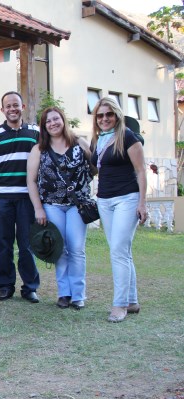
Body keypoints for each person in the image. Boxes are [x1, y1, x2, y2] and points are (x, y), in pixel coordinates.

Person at [27, 107, 93, 310]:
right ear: (44, 126)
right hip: (52, 206)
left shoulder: (79, 144)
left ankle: (78, 295)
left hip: (77, 205)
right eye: (48, 121)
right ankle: (64, 293)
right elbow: (30, 181)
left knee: (77, 249)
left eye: (56, 119)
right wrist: (38, 209)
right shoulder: (39, 149)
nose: (53, 123)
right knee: (60, 250)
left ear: (63, 120)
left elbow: (96, 168)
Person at [90, 97, 147, 323]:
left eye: (109, 114)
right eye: (100, 115)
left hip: (127, 199)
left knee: (118, 251)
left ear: (117, 115)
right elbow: (96, 167)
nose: (104, 119)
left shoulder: (128, 137)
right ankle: (132, 301)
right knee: (122, 251)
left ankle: (120, 304)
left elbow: (141, 171)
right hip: (105, 201)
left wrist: (142, 203)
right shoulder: (98, 140)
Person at [0, 91, 40, 303]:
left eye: (16, 105)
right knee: (4, 243)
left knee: (27, 244)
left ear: (22, 107)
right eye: (8, 106)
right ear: (2, 110)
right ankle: (5, 285)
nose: (12, 109)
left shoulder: (35, 132)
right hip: (2, 198)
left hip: (28, 197)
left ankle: (30, 287)